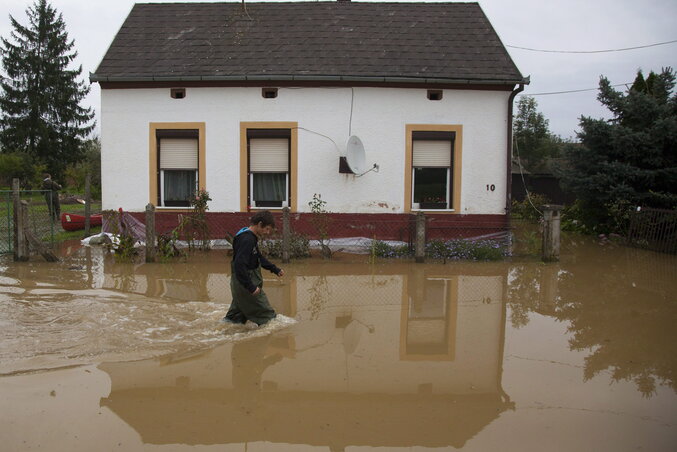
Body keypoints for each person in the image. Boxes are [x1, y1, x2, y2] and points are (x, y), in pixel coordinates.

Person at [224, 210, 284, 326]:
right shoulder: (247, 240)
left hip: (241, 285)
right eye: (266, 229)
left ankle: (219, 334)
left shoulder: (248, 236)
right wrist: (250, 287)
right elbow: (239, 265)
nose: (267, 233)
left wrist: (275, 269)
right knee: (269, 319)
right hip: (246, 284)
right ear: (260, 224)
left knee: (234, 320)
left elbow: (258, 257)